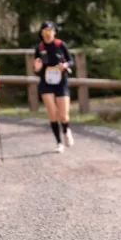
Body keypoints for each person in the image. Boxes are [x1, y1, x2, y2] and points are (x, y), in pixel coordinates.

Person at [34, 21, 75, 153]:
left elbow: (71, 60)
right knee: (52, 114)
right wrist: (37, 68)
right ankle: (58, 142)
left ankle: (66, 129)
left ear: (54, 32)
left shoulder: (60, 45)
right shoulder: (39, 48)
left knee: (63, 115)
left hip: (61, 81)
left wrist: (66, 65)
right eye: (45, 31)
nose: (47, 34)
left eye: (50, 31)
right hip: (46, 82)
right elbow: (37, 66)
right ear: (41, 34)